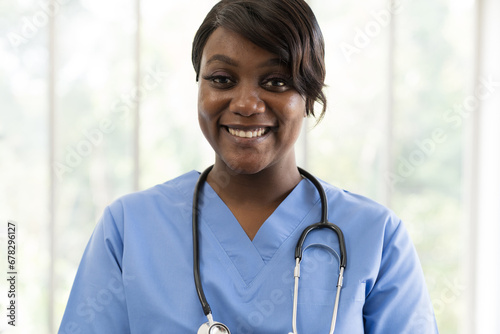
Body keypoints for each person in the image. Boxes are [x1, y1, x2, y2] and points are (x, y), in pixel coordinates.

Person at [59, 0, 438, 333]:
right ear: (199, 87)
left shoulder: (377, 237)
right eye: (222, 79)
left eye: (275, 81)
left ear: (309, 95)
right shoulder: (129, 229)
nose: (246, 104)